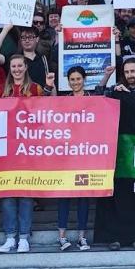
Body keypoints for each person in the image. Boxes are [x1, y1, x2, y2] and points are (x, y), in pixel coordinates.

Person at [0, 61, 47, 254]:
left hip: (28, 149)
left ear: (26, 68)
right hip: (5, 150)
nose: (16, 69)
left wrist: (50, 88)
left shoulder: (35, 88)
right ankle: (10, 237)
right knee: (7, 196)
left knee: (26, 195)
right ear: (10, 69)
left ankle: (23, 238)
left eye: (20, 66)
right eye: (13, 66)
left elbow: (50, 112)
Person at [53, 66, 95, 251]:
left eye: (78, 79)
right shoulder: (63, 101)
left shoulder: (94, 100)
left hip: (86, 154)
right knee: (64, 196)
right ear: (68, 81)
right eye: (72, 79)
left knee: (83, 197)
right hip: (67, 155)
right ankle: (61, 237)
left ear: (84, 80)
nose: (76, 82)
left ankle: (81, 237)